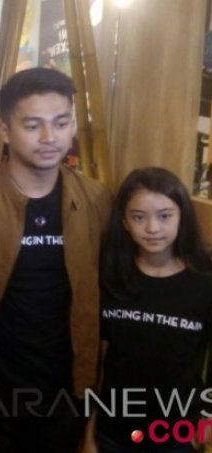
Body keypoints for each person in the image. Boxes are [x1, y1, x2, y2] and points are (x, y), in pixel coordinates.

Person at [0, 67, 112, 452]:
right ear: (5, 130)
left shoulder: (96, 200)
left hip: (66, 389)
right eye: (33, 125)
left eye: (61, 123)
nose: (50, 137)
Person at [87, 167, 212, 452]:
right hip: (113, 432)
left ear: (182, 216)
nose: (152, 228)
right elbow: (99, 360)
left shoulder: (204, 280)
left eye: (164, 216)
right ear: (124, 221)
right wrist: (89, 430)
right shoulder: (110, 275)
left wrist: (207, 419)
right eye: (139, 217)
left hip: (177, 433)